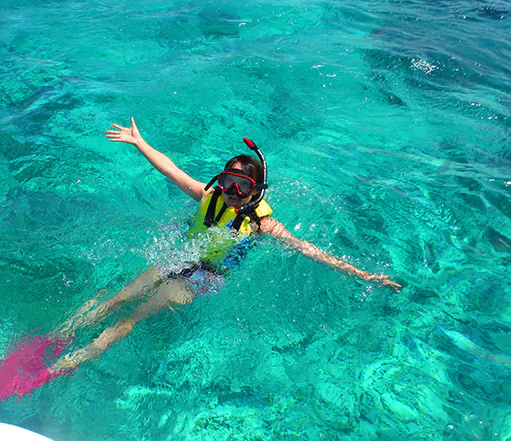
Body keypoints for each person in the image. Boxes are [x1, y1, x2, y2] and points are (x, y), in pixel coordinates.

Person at [45, 118, 401, 373]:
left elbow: (309, 250)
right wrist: (141, 143)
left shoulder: (263, 224)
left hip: (205, 279)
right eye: (227, 182)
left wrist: (365, 275)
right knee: (119, 297)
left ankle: (76, 359)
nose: (231, 194)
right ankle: (58, 335)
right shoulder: (209, 195)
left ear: (255, 192)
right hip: (180, 258)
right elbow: (171, 170)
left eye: (240, 188)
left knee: (136, 315)